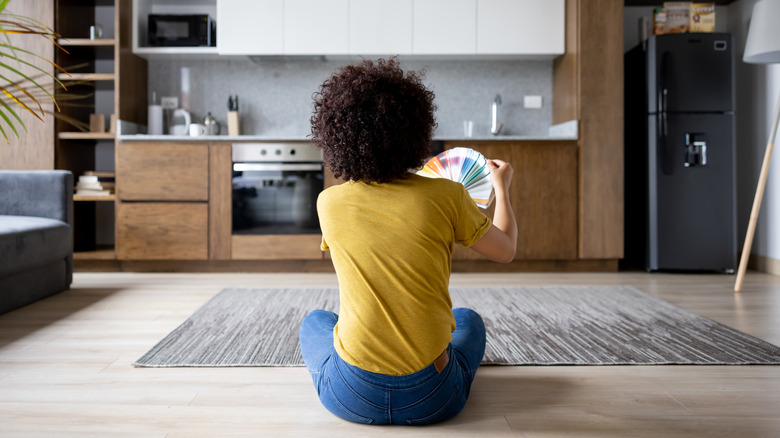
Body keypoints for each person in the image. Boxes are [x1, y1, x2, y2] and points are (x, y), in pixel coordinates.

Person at [299, 58, 517, 425]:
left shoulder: (329, 202)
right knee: (468, 320)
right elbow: (506, 250)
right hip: (432, 400)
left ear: (335, 136)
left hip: (351, 397)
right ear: (417, 130)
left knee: (316, 321)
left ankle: (335, 377)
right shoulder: (447, 195)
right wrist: (502, 189)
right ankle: (455, 377)